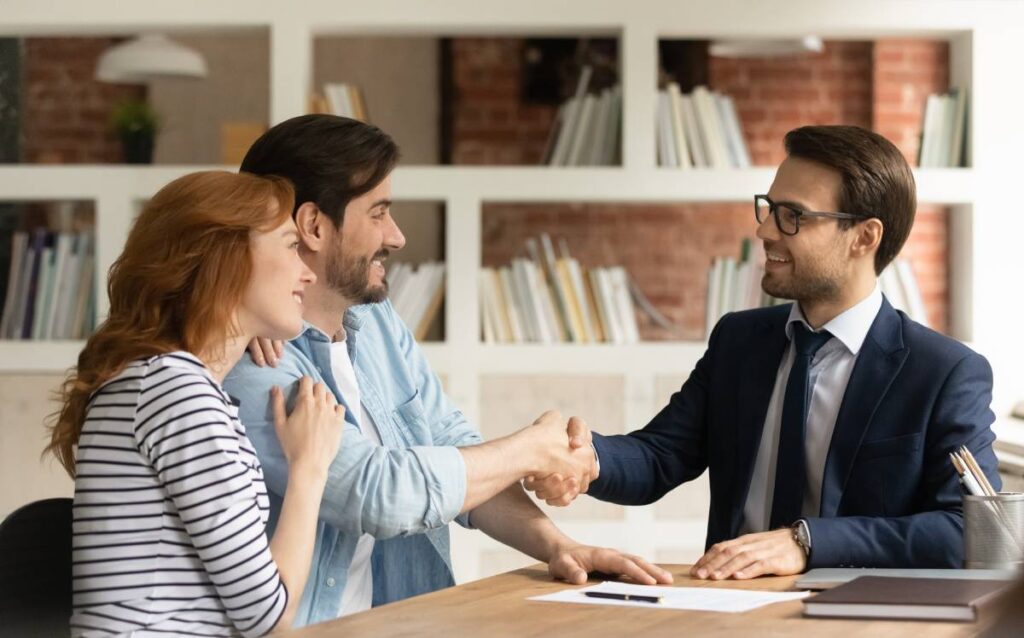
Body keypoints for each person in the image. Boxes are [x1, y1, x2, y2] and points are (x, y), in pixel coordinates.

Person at [224, 114, 671, 626]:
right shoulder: (254, 356)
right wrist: (531, 448)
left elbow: (453, 449)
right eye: (379, 213)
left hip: (408, 621)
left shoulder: (377, 322)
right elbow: (378, 493)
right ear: (314, 226)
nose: (396, 236)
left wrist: (558, 546)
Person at [528, 125, 1001, 579]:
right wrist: (587, 458)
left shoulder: (944, 373)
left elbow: (969, 530)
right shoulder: (739, 340)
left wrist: (807, 542)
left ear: (864, 237)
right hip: (728, 608)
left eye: (792, 215)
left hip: (855, 619)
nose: (766, 232)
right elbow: (660, 456)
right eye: (769, 208)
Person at [46, 171, 345, 636]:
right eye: (290, 245)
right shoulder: (175, 390)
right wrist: (309, 466)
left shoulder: (163, 381)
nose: (307, 270)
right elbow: (267, 616)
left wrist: (248, 330)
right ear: (226, 257)